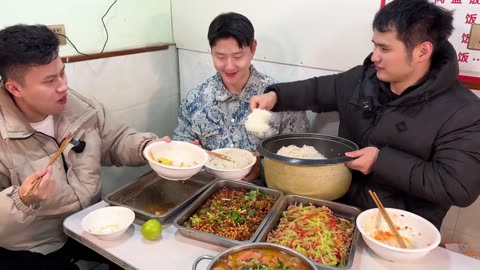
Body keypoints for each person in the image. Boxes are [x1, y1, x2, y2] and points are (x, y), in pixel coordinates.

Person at [250, 0, 480, 229]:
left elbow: (458, 186)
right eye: (375, 46)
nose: (374, 57)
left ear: (422, 51)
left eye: (385, 49)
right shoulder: (364, 79)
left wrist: (381, 162)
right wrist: (276, 97)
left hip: (399, 230)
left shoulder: (463, 111)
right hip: (336, 215)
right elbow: (318, 90)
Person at [0, 24, 170, 269]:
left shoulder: (80, 108)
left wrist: (148, 148)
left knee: (140, 256)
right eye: (49, 81)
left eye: (62, 73)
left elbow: (117, 140)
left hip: (87, 223)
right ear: (15, 88)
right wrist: (22, 200)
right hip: (31, 244)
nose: (62, 86)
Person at [173, 12, 308, 182]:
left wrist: (262, 170)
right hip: (207, 194)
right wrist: (188, 154)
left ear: (253, 49)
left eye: (238, 56)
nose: (229, 66)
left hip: (265, 196)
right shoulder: (195, 99)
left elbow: (300, 161)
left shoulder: (281, 100)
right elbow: (181, 147)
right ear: (211, 51)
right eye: (220, 57)